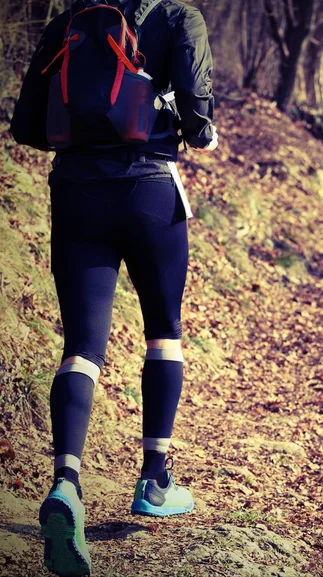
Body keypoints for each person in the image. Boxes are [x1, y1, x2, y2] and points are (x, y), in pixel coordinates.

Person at [10, 0, 218, 575]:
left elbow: (26, 126)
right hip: (150, 190)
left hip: (75, 194)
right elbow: (198, 116)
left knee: (81, 347)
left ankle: (66, 484)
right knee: (164, 334)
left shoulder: (69, 22)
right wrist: (193, 126)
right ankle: (153, 480)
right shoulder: (180, 18)